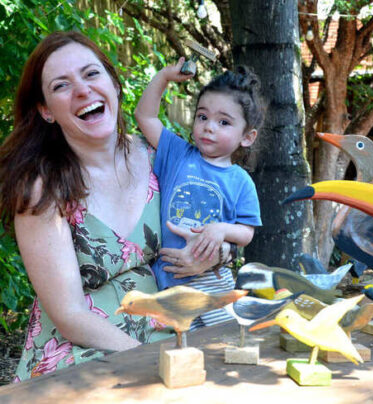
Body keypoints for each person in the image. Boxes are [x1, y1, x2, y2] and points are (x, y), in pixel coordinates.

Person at [0, 31, 213, 382]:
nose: (82, 90)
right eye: (61, 86)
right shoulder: (42, 189)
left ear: (114, 85)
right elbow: (70, 316)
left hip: (176, 333)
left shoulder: (158, 156)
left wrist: (212, 251)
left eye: (91, 74)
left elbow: (211, 232)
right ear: (45, 111)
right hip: (85, 352)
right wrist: (151, 359)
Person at [134, 60, 266, 330]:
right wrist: (164, 77)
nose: (209, 127)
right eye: (202, 117)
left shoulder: (241, 181)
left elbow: (246, 232)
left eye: (223, 122)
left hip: (212, 279)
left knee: (224, 340)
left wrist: (220, 230)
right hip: (169, 279)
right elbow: (145, 117)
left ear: (247, 137)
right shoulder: (177, 155)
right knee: (183, 349)